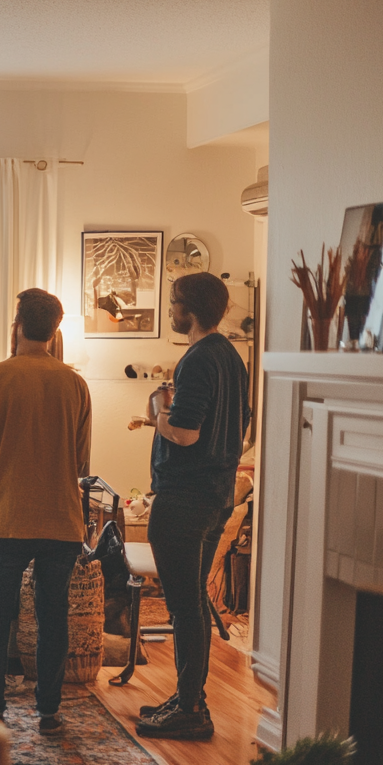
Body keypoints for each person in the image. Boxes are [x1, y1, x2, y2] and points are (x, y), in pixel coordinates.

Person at [0, 288, 92, 735]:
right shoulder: (75, 383)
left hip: (7, 517)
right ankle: (49, 712)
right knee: (53, 616)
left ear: (17, 326)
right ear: (55, 330)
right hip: (61, 519)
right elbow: (79, 462)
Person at [135, 272, 250, 740]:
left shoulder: (198, 359)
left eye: (174, 303)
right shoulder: (232, 358)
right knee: (194, 601)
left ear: (192, 309)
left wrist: (159, 412)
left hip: (184, 498)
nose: (169, 311)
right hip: (216, 494)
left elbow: (184, 432)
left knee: (183, 606)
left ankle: (190, 709)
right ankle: (189, 699)